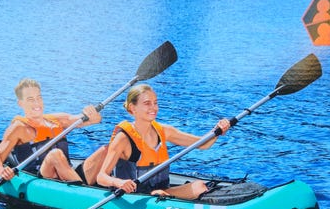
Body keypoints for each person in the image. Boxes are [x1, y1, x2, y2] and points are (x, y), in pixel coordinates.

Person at [96, 84, 231, 200]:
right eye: (147, 103)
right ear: (133, 108)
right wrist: (119, 182)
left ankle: (164, 198)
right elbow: (101, 177)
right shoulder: (123, 138)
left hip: (162, 192)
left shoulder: (164, 131)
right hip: (134, 196)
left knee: (199, 186)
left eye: (155, 103)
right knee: (161, 194)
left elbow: (203, 144)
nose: (153, 108)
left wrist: (217, 131)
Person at [0, 78, 106, 184]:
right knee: (55, 154)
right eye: (31, 99)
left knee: (106, 150)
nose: (37, 103)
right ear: (21, 103)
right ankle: (83, 191)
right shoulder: (18, 128)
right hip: (41, 179)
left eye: (39, 98)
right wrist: (2, 171)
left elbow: (93, 120)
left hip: (70, 174)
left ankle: (101, 184)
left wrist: (93, 115)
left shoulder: (57, 120)